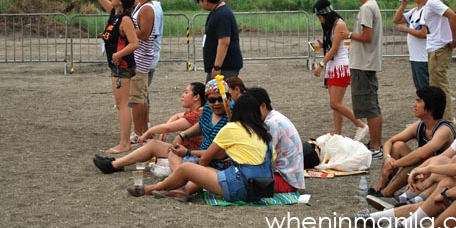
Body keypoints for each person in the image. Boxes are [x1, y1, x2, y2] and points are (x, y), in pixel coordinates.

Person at [353, 87, 456, 228]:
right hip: (446, 184)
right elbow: (439, 158)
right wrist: (404, 164)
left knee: (453, 162)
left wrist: (419, 169)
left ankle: (400, 206)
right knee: (405, 150)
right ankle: (391, 200)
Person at [127, 94, 273, 203]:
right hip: (259, 188)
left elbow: (205, 158)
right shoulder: (264, 133)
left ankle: (152, 188)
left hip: (239, 187)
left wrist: (194, 169)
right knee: (207, 170)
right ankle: (180, 191)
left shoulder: (233, 128)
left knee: (187, 168)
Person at [75, 0, 138, 154]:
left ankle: (124, 143)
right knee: (120, 104)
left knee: (122, 105)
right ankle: (124, 141)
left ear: (123, 1)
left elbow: (134, 43)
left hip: (123, 65)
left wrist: (118, 54)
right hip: (115, 65)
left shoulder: (125, 19)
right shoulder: (113, 13)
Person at [95, 0, 157, 138]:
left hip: (136, 60)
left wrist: (122, 30)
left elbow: (143, 36)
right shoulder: (139, 5)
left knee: (134, 100)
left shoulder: (146, 8)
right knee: (135, 99)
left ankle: (139, 134)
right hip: (134, 59)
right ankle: (142, 132)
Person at [91, 82, 205, 173]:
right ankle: (115, 163)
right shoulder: (198, 111)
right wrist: (164, 130)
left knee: (155, 146)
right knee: (153, 145)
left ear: (196, 97)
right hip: (189, 151)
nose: (182, 95)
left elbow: (168, 128)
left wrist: (148, 132)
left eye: (186, 92)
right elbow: (176, 117)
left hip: (193, 154)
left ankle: (114, 164)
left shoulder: (197, 114)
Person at [367, 86, 456, 200]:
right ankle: (379, 187)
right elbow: (390, 141)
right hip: (424, 169)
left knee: (416, 160)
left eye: (419, 101)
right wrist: (387, 158)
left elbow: (422, 154)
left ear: (430, 107)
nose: (414, 104)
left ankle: (387, 192)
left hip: (439, 173)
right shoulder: (420, 125)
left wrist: (395, 164)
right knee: (398, 146)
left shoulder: (444, 130)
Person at [340, 0, 384, 158]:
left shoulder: (367, 8)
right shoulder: (370, 6)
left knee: (370, 107)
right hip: (365, 63)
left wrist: (348, 34)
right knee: (370, 105)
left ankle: (375, 147)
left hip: (364, 64)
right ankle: (375, 144)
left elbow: (366, 37)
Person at [312, 0, 369, 140]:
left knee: (335, 103)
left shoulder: (339, 24)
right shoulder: (330, 25)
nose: (319, 20)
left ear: (325, 14)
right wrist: (320, 44)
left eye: (320, 17)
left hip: (340, 66)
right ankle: (337, 134)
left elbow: (335, 49)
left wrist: (321, 64)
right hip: (332, 66)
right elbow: (331, 46)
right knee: (335, 105)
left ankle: (361, 125)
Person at [413, 0, 456, 122]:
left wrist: (454, 39)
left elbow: (452, 16)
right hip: (434, 48)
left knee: (440, 86)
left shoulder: (432, 2)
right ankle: (440, 119)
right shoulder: (428, 4)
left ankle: (447, 120)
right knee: (435, 85)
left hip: (439, 48)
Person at [246, 87, 305, 192]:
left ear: (263, 106)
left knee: (241, 182)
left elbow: (263, 157)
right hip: (291, 178)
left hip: (286, 180)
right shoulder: (276, 118)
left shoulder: (271, 124)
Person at [195, 0, 243, 81]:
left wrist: (217, 67)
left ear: (205, 1)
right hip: (220, 67)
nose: (199, 3)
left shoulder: (222, 15)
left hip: (225, 68)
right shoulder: (216, 12)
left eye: (198, 0)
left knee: (219, 95)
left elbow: (224, 43)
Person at [392, 0, 428, 90]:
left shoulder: (426, 11)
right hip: (414, 57)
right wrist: (403, 5)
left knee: (425, 87)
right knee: (419, 87)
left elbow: (423, 33)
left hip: (423, 58)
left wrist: (406, 29)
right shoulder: (414, 11)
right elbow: (396, 20)